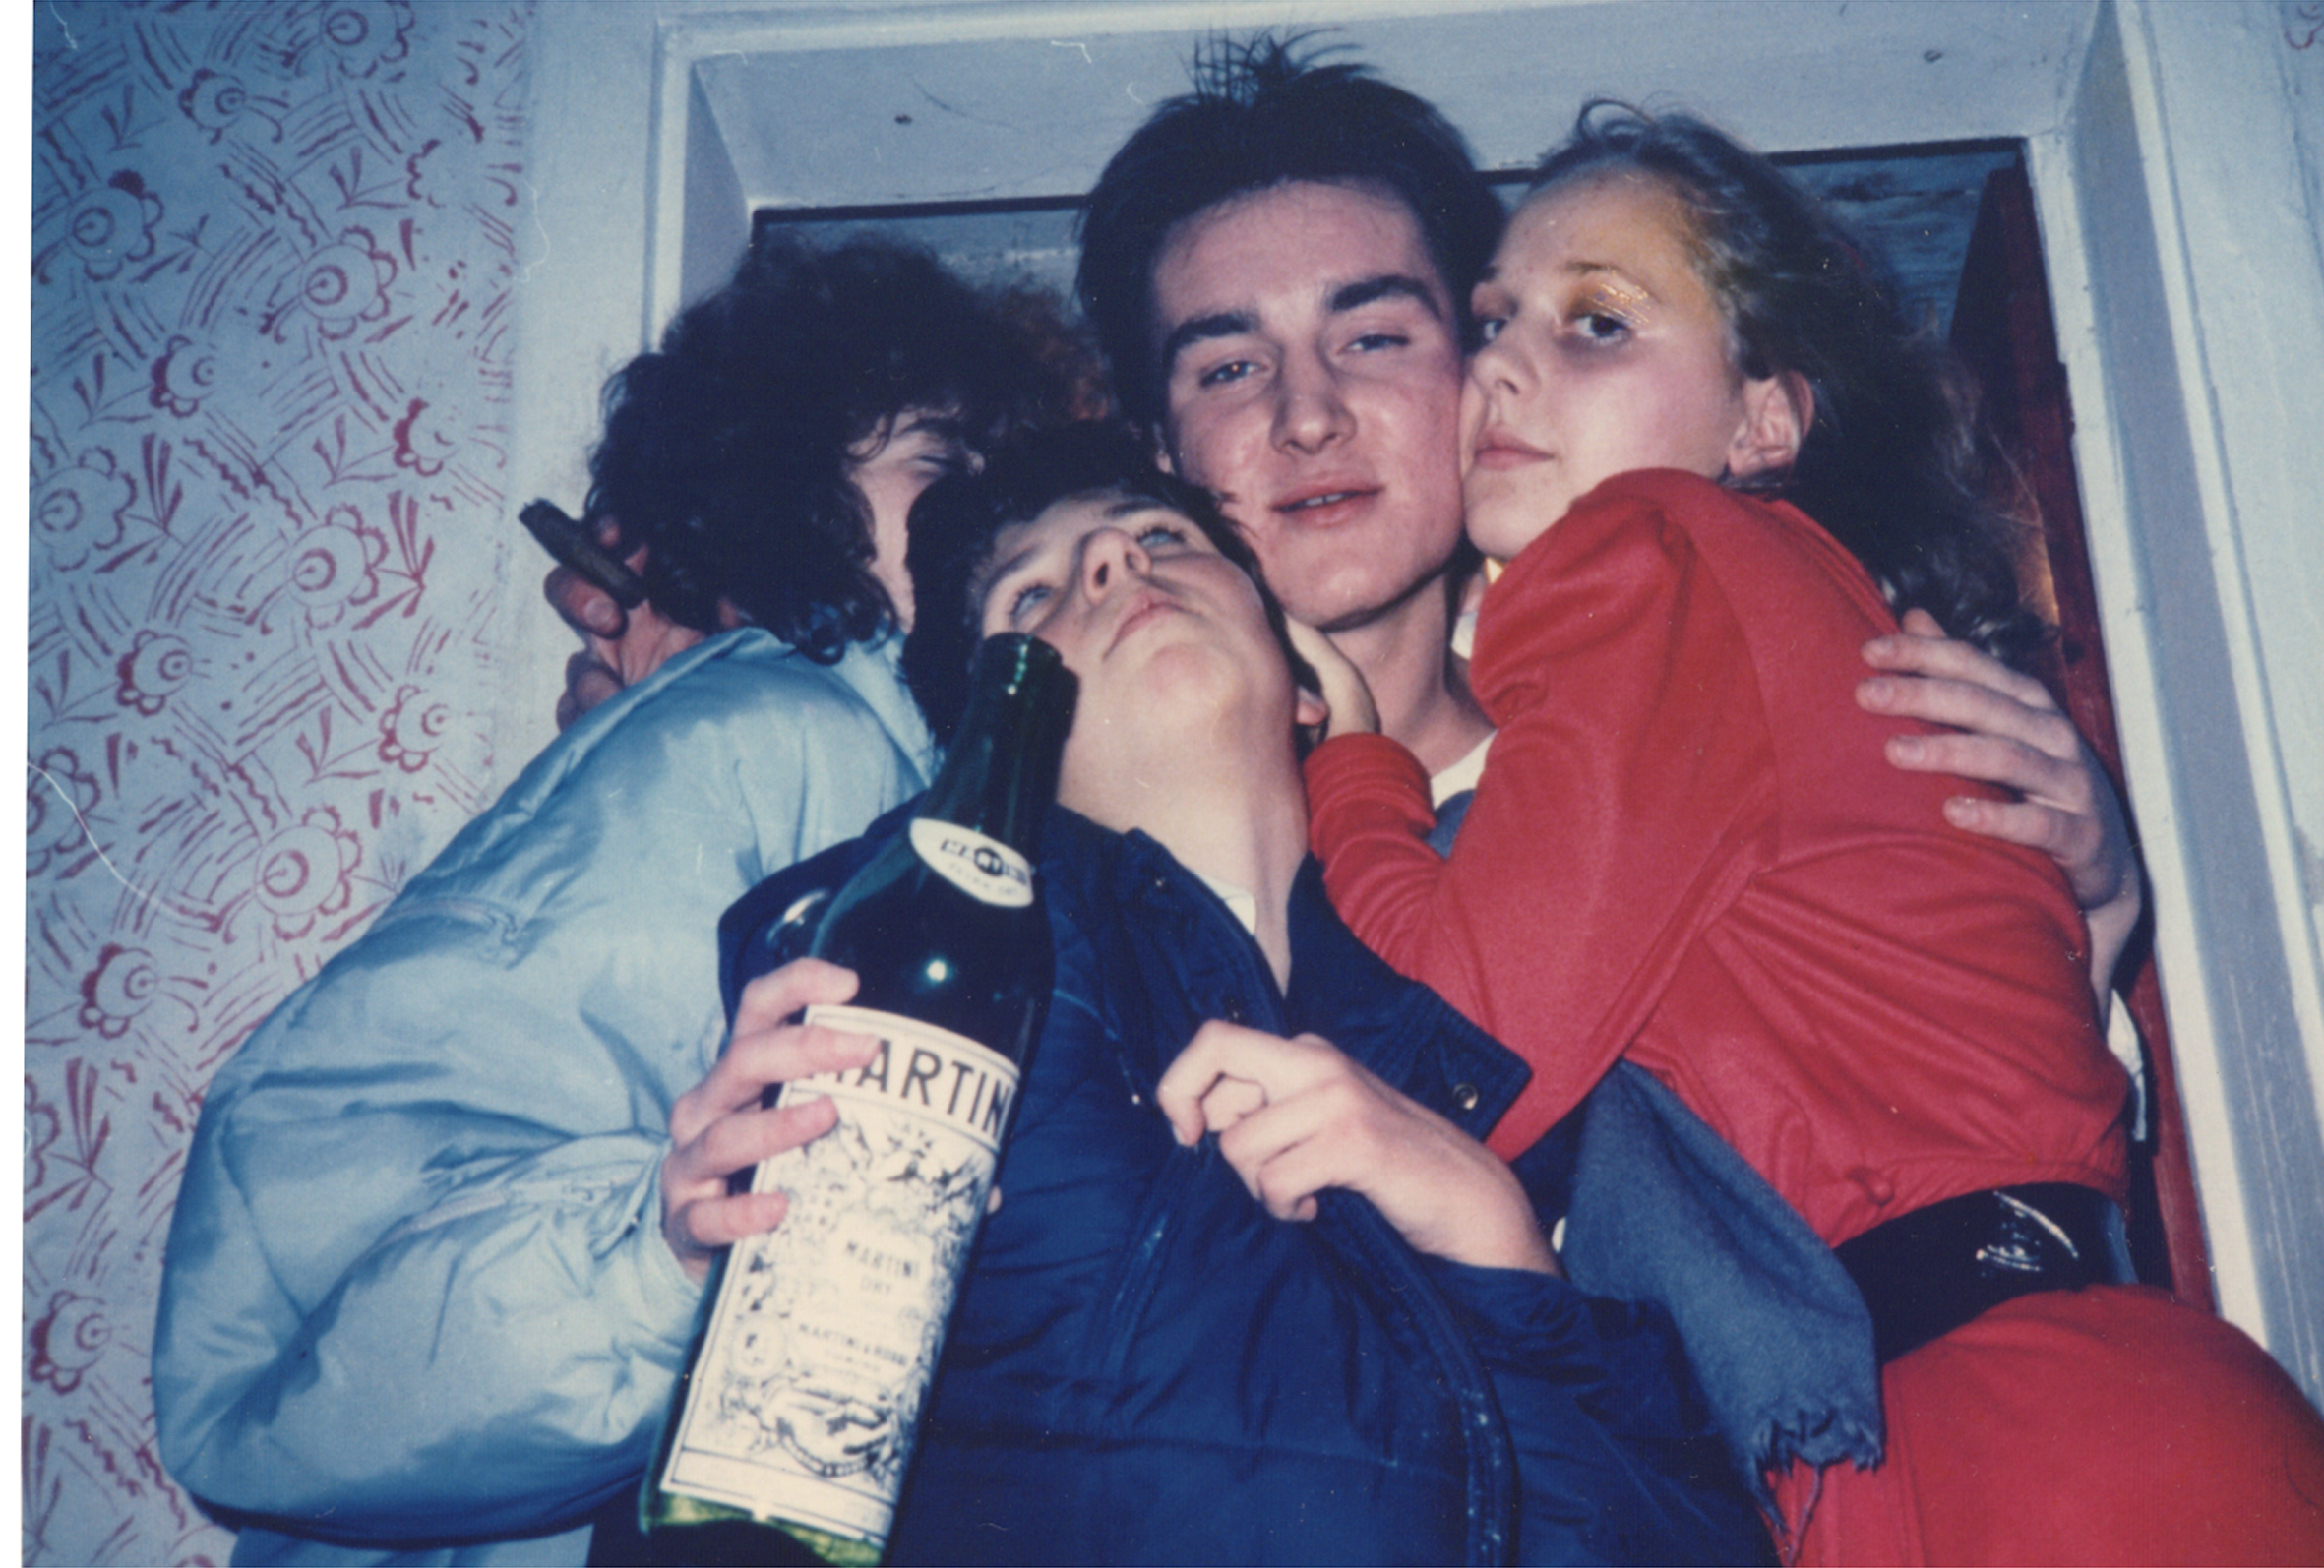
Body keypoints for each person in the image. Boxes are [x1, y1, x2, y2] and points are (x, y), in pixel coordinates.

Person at [553, 41, 2144, 1004]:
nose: (1305, 415)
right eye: (1227, 364)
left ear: (1479, 368)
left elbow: (1964, 1104)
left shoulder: (1689, 704)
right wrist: (720, 677)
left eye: (1373, 336)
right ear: (1158, 446)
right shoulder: (1033, 824)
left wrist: (2094, 894)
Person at [1298, 104, 2324, 1564]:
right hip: (1958, 1429)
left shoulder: (1650, 548)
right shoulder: (1774, 639)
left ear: (1761, 422)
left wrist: (1352, 771)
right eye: (1491, 323)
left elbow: (1467, 1055)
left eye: (1598, 323)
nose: (1504, 366)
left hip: (2001, 1436)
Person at [151, 238, 1085, 1565]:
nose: (985, 511)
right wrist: (657, 1257)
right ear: (783, 486)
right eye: (939, 461)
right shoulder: (777, 733)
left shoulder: (900, 786)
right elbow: (300, 1271)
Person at [709, 423, 1776, 1564]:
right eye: (1032, 597)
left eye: (1159, 536)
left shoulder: (1454, 1050)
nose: (1114, 562)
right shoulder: (938, 956)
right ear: (991, 740)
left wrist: (1494, 1234)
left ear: (1306, 685)